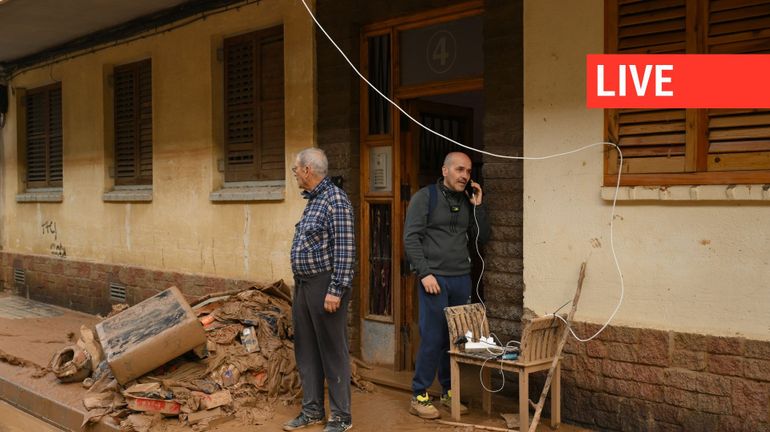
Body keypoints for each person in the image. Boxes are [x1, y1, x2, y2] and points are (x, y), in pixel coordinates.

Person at [403, 151, 491, 419]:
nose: (464, 175)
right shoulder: (425, 197)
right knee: (433, 336)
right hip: (434, 279)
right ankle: (419, 394)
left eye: (467, 171)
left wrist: (478, 206)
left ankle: (448, 391)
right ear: (445, 170)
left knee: (455, 339)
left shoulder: (467, 201)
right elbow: (410, 238)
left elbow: (482, 237)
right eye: (459, 170)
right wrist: (425, 273)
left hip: (461, 277)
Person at [284, 148, 355, 432]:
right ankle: (312, 410)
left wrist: (335, 290)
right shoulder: (313, 201)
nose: (294, 174)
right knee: (306, 348)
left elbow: (346, 250)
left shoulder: (335, 200)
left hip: (325, 284)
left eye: (295, 169)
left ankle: (341, 417)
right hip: (304, 284)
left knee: (332, 350)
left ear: (307, 171)